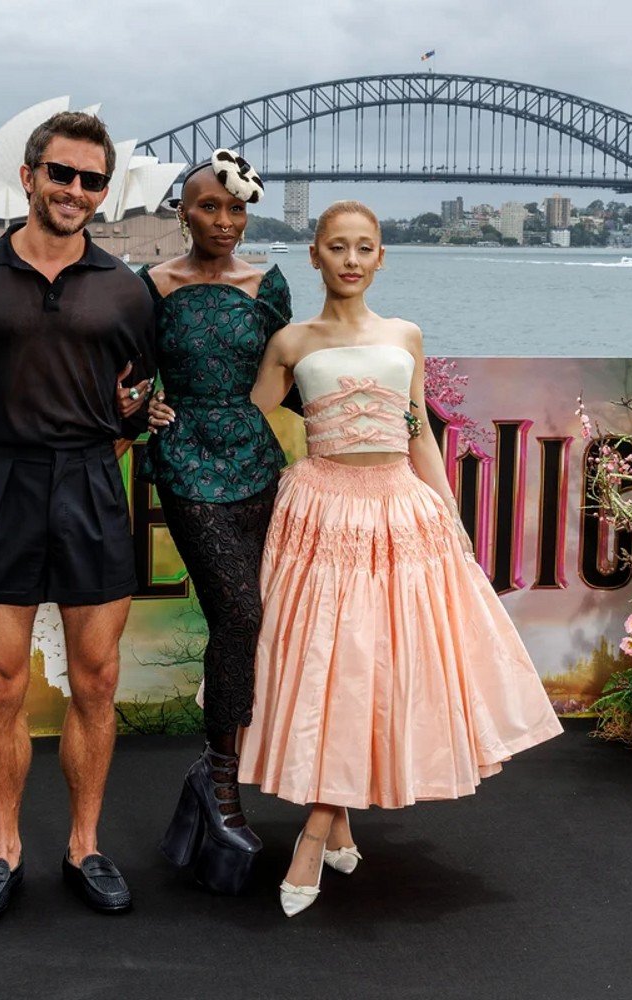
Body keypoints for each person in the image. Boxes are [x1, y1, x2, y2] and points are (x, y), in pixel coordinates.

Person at [238, 200, 563, 917]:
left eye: (364, 247)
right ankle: (334, 820)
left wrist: (448, 515)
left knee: (377, 666)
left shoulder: (405, 337)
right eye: (337, 247)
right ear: (315, 255)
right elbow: (244, 422)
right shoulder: (290, 342)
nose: (351, 260)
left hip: (398, 513)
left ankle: (315, 833)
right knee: (335, 668)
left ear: (381, 257)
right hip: (322, 515)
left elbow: (419, 436)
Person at [0, 111, 155, 922]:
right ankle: (5, 850)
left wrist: (85, 457)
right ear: (29, 176)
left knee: (95, 678)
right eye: (63, 174)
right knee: (1, 684)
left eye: (93, 180)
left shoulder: (127, 288)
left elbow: (135, 405)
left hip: (92, 487)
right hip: (1, 488)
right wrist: (10, 459)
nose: (76, 192)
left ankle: (86, 846)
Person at [138, 149, 294, 894]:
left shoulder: (270, 283)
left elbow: (298, 369)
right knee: (240, 611)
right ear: (183, 212)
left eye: (235, 210)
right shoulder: (153, 286)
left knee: (261, 622)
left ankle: (214, 773)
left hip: (257, 461)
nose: (224, 222)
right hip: (186, 461)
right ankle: (224, 784)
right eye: (209, 207)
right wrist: (142, 408)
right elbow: (129, 377)